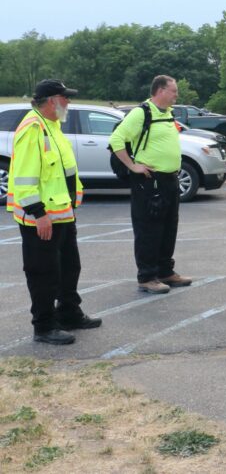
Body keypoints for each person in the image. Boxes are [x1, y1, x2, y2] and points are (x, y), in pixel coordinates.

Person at [8, 80, 101, 344]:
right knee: (43, 273)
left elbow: (65, 172)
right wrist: (38, 214)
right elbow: (24, 178)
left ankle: (69, 313)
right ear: (51, 101)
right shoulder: (33, 129)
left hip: (62, 213)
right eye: (65, 98)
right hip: (42, 217)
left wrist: (72, 202)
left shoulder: (53, 126)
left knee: (70, 267)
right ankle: (44, 326)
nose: (68, 102)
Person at [109, 75, 192, 295]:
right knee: (149, 229)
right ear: (160, 90)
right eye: (174, 91)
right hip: (149, 182)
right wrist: (132, 165)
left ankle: (165, 271)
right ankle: (147, 276)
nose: (177, 95)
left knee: (168, 227)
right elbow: (116, 140)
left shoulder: (167, 114)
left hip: (170, 180)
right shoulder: (141, 113)